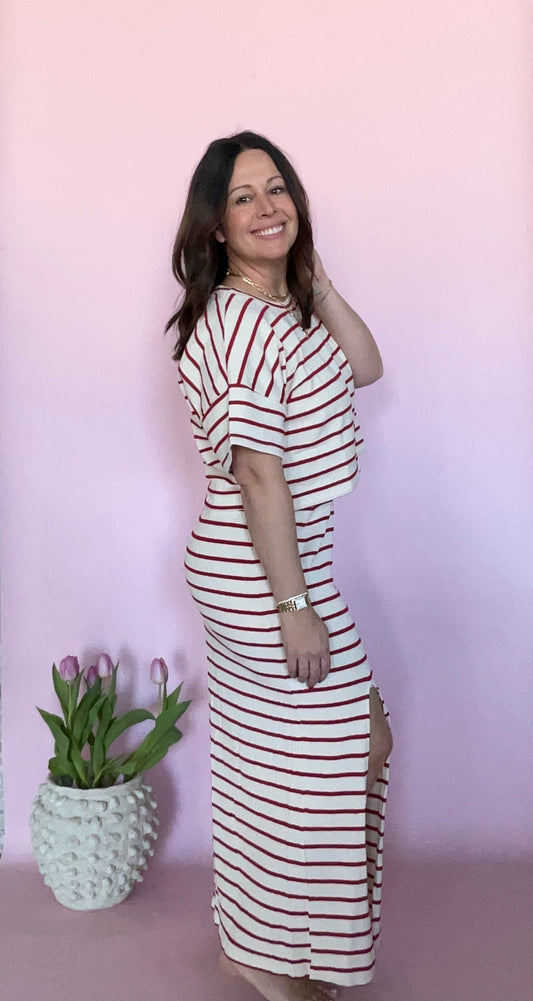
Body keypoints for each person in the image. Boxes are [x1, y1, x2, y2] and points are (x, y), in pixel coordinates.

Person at [166, 131, 393, 1001]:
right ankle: (268, 956)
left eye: (277, 189)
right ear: (215, 226)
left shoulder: (280, 309)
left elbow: (365, 366)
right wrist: (294, 606)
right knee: (324, 761)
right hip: (261, 575)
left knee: (276, 763)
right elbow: (259, 475)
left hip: (282, 562)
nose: (267, 208)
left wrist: (316, 282)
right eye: (243, 198)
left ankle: (251, 943)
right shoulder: (238, 325)